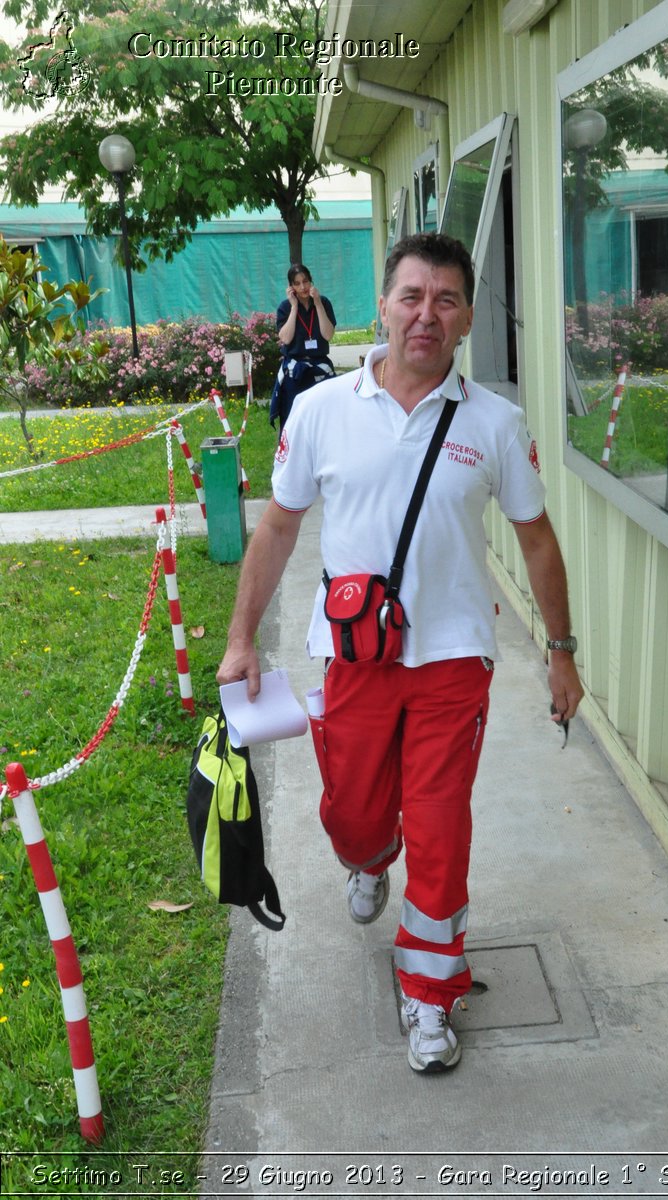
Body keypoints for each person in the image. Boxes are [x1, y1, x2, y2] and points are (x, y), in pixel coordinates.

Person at [218, 232, 583, 1075]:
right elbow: (277, 527)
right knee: (352, 813)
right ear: (382, 305)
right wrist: (241, 640)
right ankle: (369, 859)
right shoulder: (320, 411)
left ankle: (430, 999)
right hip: (354, 659)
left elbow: (536, 541)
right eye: (411, 295)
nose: (426, 313)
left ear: (462, 319)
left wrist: (559, 652)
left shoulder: (493, 423)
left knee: (441, 827)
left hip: (454, 659)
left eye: (446, 299)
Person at [269, 263, 336, 429]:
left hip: (319, 366)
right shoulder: (285, 307)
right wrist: (294, 307)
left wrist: (318, 303)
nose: (303, 287)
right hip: (295, 368)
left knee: (322, 418)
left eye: (305, 281)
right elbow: (285, 338)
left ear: (311, 281)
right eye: (297, 283)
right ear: (291, 287)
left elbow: (328, 335)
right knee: (294, 420)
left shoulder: (323, 302)